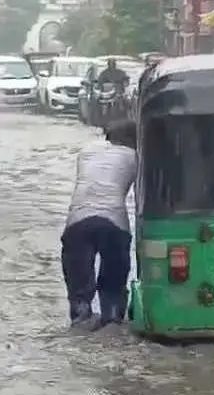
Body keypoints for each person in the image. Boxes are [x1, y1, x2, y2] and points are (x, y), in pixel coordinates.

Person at [62, 120, 139, 328]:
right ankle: (112, 317)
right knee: (114, 281)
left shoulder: (86, 152)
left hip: (77, 221)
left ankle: (80, 315)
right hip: (114, 223)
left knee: (78, 285)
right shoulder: (135, 158)